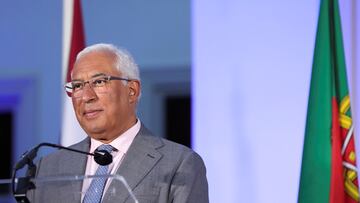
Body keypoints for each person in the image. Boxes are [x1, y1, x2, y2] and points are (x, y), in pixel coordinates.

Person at [28, 43, 208, 202]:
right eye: (77, 86)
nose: (87, 96)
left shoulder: (179, 163)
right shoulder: (48, 168)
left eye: (99, 82)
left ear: (132, 91)